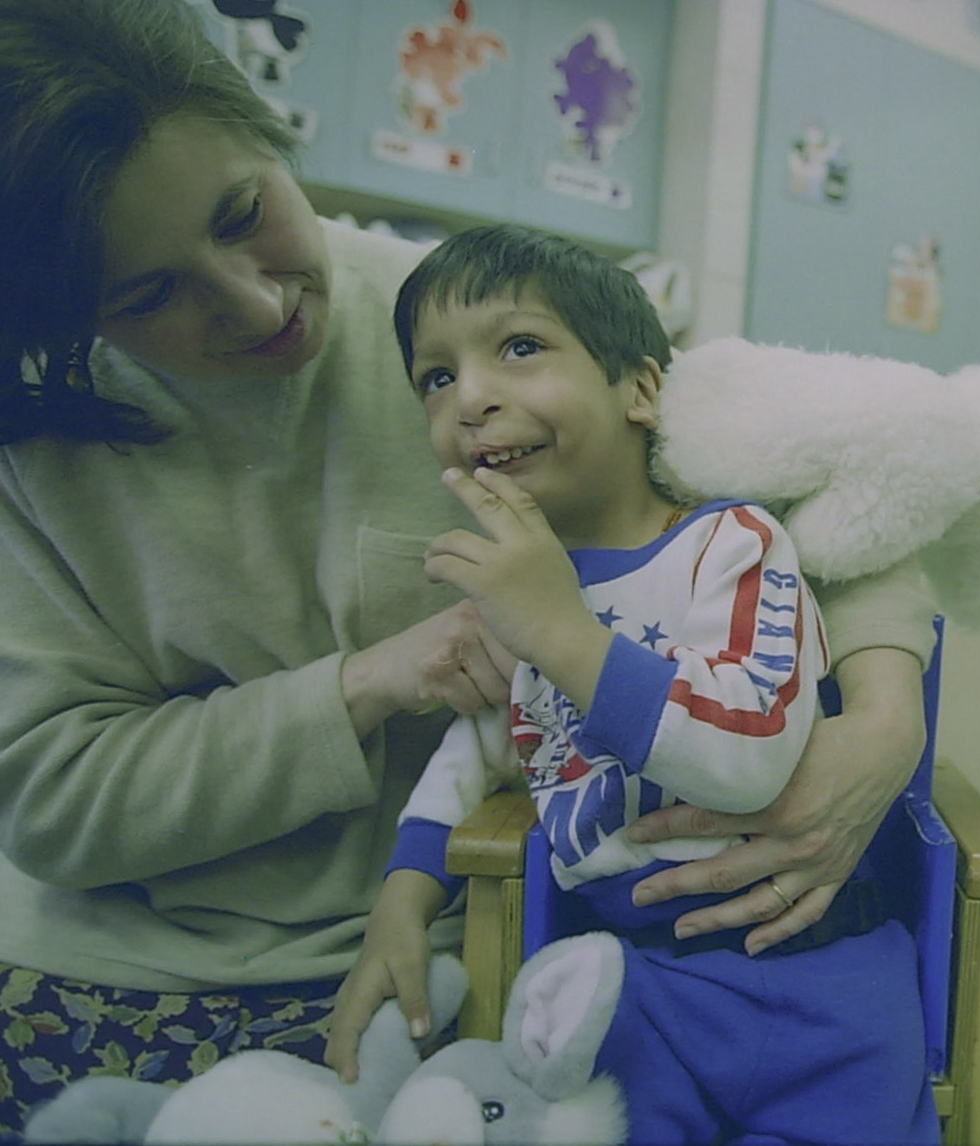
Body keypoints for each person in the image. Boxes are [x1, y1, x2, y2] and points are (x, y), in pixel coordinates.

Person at [0, 0, 935, 1134]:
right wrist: (369, 682)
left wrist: (883, 723)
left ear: (269, 132)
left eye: (246, 213)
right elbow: (50, 795)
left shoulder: (479, 319)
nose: (255, 300)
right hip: (123, 962)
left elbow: (834, 514)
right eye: (148, 294)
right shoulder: (35, 447)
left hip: (464, 949)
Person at [332, 224, 939, 1143]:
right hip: (636, 984)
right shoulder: (523, 588)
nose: (470, 399)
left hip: (815, 981)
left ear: (641, 390)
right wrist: (402, 902)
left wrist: (559, 631)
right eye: (437, 377)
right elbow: (484, 744)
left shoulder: (731, 543)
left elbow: (748, 756)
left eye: (520, 347)